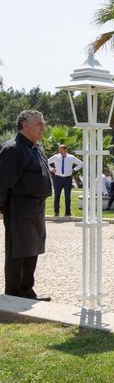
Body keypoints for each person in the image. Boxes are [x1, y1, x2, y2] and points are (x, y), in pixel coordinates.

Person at [0, 110, 52, 301]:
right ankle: (14, 294)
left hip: (36, 208)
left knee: (32, 249)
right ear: (24, 125)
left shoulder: (36, 148)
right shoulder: (13, 149)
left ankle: (27, 290)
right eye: (39, 124)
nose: (43, 128)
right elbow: (3, 182)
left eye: (43, 123)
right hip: (19, 208)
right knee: (18, 251)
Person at [48, 144, 83, 217]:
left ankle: (67, 213)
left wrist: (74, 169)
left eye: (61, 149)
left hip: (68, 179)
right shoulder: (55, 157)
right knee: (57, 196)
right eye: (59, 149)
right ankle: (56, 212)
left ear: (65, 150)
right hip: (57, 178)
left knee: (68, 196)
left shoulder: (71, 157)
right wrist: (51, 169)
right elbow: (45, 162)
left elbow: (81, 164)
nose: (59, 151)